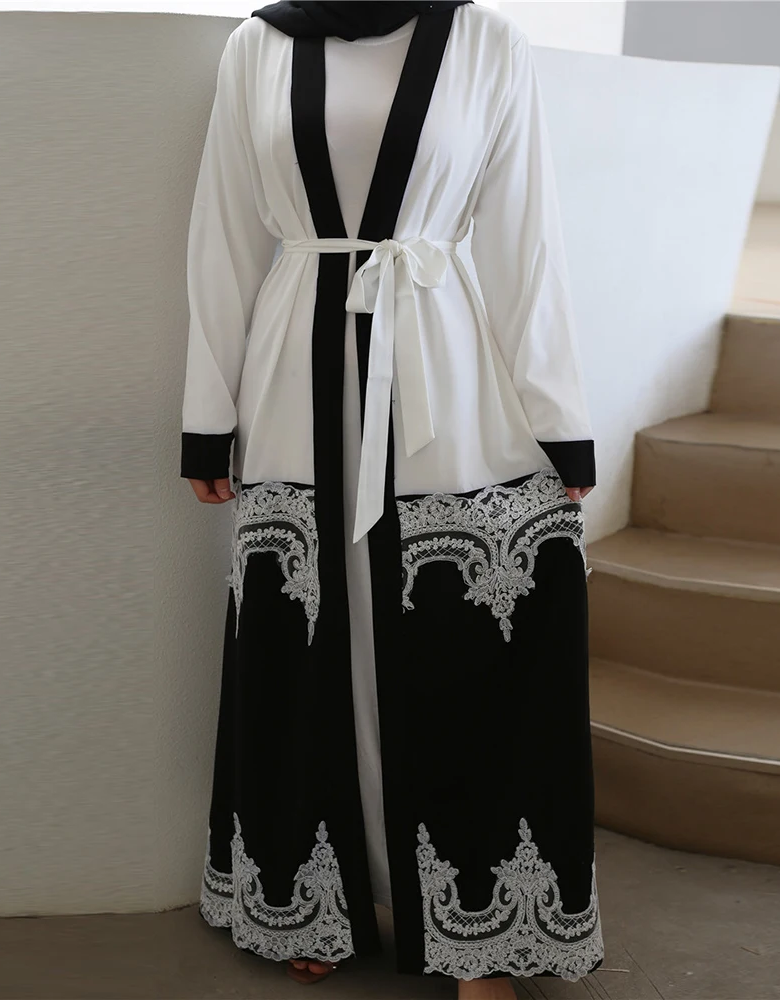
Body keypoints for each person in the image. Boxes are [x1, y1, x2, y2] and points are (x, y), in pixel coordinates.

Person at [181, 2, 602, 997]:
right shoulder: (259, 45)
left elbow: (526, 243)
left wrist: (559, 418)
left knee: (465, 638)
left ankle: (478, 929)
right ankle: (308, 896)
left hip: (441, 366)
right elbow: (223, 234)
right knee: (304, 635)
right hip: (293, 376)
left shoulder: (488, 43)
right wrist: (207, 412)